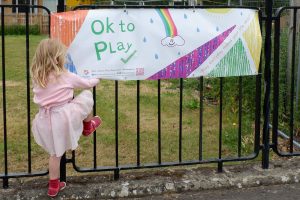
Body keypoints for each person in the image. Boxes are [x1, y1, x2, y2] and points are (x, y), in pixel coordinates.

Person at [30, 38, 101, 197]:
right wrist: (98, 77)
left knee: (55, 154)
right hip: (63, 116)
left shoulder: (37, 76)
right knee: (86, 97)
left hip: (45, 119)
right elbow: (88, 84)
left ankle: (53, 186)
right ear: (57, 58)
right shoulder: (65, 75)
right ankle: (88, 126)